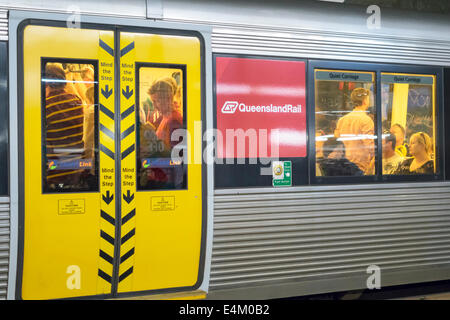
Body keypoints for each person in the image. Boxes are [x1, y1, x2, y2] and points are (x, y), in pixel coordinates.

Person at [44, 63, 85, 189]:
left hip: (55, 170)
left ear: (46, 83)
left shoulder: (46, 106)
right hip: (76, 168)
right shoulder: (76, 101)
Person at [334, 87, 374, 175]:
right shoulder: (366, 120)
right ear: (365, 101)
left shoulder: (342, 120)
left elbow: (336, 142)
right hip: (360, 167)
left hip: (344, 165)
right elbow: (370, 146)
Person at [148, 77, 183, 149]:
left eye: (157, 101)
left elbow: (175, 156)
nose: (154, 106)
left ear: (168, 99)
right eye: (153, 102)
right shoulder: (165, 117)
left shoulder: (174, 120)